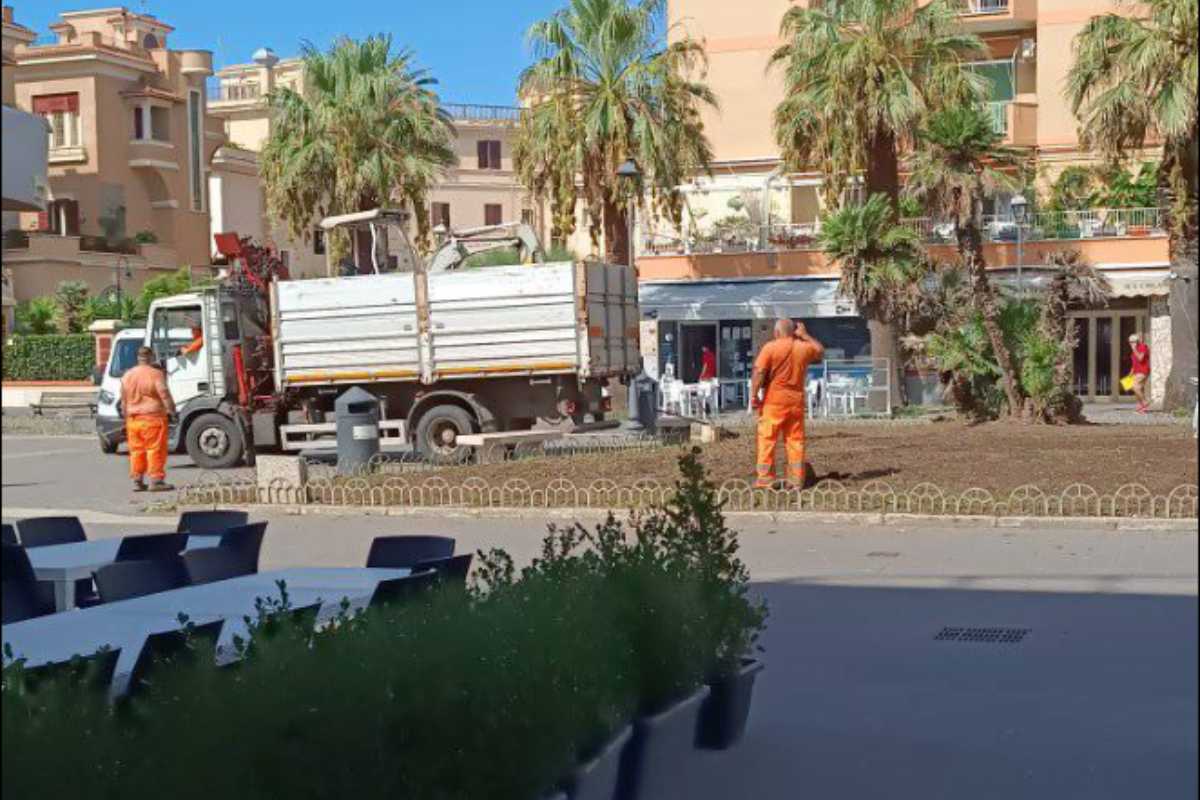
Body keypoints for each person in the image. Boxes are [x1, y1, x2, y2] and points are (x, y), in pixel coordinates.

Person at [749, 319, 824, 488]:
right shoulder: (803, 347)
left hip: (773, 402)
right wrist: (805, 336)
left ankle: (765, 478)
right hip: (795, 401)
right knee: (795, 440)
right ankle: (796, 480)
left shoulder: (770, 348)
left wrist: (754, 396)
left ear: (776, 333)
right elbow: (819, 351)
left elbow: (759, 373)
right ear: (793, 332)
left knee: (767, 439)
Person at [120, 346, 177, 492]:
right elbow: (163, 393)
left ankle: (137, 480)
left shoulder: (127, 375)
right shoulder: (155, 374)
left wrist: (125, 416)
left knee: (136, 450)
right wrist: (172, 410)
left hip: (133, 420)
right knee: (155, 449)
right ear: (151, 357)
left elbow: (123, 400)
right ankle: (156, 480)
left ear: (138, 358)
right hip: (152, 418)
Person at [1129, 333, 1151, 413]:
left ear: (1137, 341)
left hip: (1143, 370)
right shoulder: (1134, 350)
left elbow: (1140, 359)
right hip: (1136, 371)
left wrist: (1134, 349)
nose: (1131, 343)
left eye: (1133, 341)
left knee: (1135, 386)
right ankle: (1142, 407)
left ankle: (1145, 402)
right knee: (1138, 388)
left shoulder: (1142, 347)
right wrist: (1130, 373)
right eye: (1130, 342)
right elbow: (1134, 363)